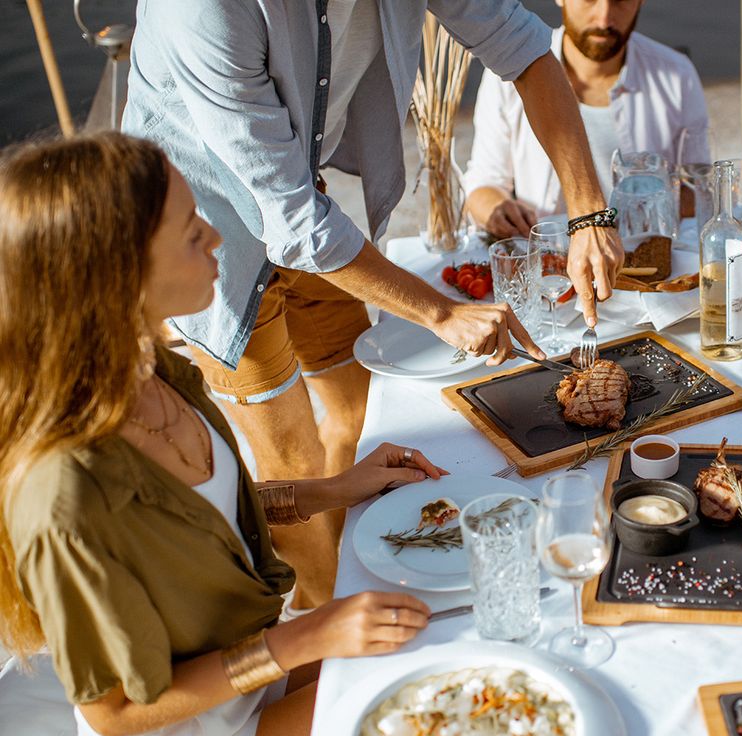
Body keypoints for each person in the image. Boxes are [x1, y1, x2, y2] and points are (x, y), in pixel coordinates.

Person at [121, 1, 623, 608]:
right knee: (292, 458)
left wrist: (588, 210)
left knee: (361, 423)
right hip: (201, 236)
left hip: (310, 203)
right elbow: (292, 223)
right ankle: (326, 629)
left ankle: (348, 586)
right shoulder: (202, 9)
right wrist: (441, 312)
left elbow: (525, 50)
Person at [0, 132, 446, 736]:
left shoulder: (160, 373)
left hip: (251, 686)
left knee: (442, 628)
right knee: (429, 706)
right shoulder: (61, 493)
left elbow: (203, 517)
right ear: (117, 276)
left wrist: (338, 486)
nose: (216, 235)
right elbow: (112, 711)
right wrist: (307, 635)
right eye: (188, 232)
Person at [463, 0, 710, 237]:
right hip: (549, 263)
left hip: (644, 262)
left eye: (620, 0)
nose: (604, 18)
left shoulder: (678, 75)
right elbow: (484, 182)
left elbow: (699, 188)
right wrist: (499, 212)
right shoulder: (508, 74)